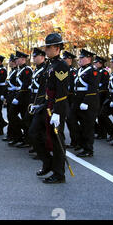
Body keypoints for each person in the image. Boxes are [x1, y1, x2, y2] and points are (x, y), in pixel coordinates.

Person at [29, 33, 69, 184]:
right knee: (33, 133)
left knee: (57, 139)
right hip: (46, 105)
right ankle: (48, 163)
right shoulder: (49, 64)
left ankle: (59, 173)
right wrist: (38, 104)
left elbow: (62, 91)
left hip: (56, 106)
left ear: (57, 48)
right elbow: (44, 88)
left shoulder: (61, 66)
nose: (45, 49)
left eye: (48, 47)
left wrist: (57, 112)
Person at [68, 49, 100, 157]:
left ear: (89, 59)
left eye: (82, 58)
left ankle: (88, 149)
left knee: (87, 126)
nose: (80, 60)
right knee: (71, 120)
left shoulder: (93, 70)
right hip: (77, 100)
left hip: (88, 101)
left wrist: (86, 101)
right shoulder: (79, 70)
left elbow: (93, 87)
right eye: (80, 58)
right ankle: (79, 142)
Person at [8, 51, 32, 147]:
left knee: (25, 118)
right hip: (18, 96)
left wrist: (17, 97)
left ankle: (27, 140)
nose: (16, 60)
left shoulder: (27, 70)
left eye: (17, 59)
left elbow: (25, 85)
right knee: (11, 115)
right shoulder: (18, 70)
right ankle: (18, 136)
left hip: (24, 97)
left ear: (23, 59)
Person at [62, 51, 79, 149]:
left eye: (66, 59)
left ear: (70, 60)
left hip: (71, 98)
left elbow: (72, 86)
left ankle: (75, 141)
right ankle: (64, 139)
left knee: (71, 120)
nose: (64, 60)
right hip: (64, 97)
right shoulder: (64, 70)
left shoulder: (73, 71)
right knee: (63, 120)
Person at [3, 54, 19, 143]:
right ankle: (11, 134)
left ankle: (15, 135)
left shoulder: (17, 72)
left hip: (14, 94)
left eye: (10, 61)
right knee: (10, 115)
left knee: (12, 116)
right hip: (10, 94)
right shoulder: (11, 71)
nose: (9, 63)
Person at [93, 55, 110, 140]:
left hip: (102, 95)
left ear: (100, 63)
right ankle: (100, 132)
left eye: (96, 62)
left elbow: (105, 85)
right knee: (97, 115)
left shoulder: (104, 72)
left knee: (100, 115)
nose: (95, 64)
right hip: (97, 94)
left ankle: (103, 133)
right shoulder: (97, 71)